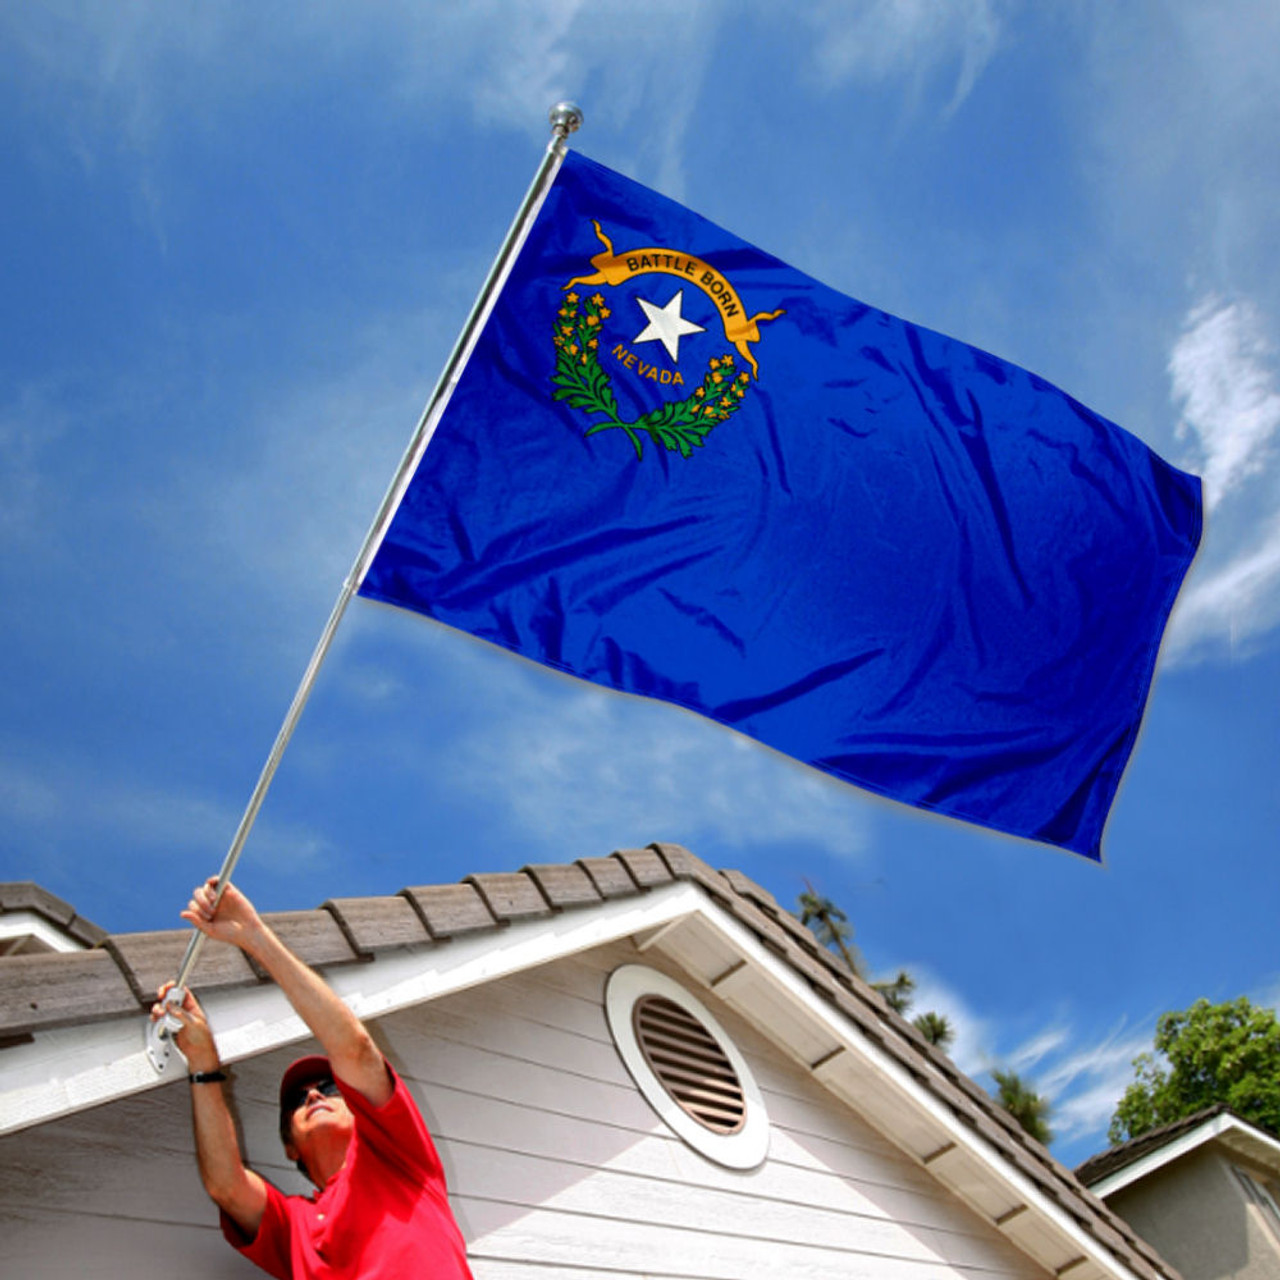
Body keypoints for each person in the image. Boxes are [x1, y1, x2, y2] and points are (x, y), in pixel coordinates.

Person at [151, 877, 473, 1280]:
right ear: (290, 1148)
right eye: (296, 1102)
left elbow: (354, 1048)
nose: (312, 1097)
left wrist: (255, 936)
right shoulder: (293, 1225)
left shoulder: (400, 1159)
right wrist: (202, 1060)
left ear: (361, 1115)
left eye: (328, 1088)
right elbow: (226, 1187)